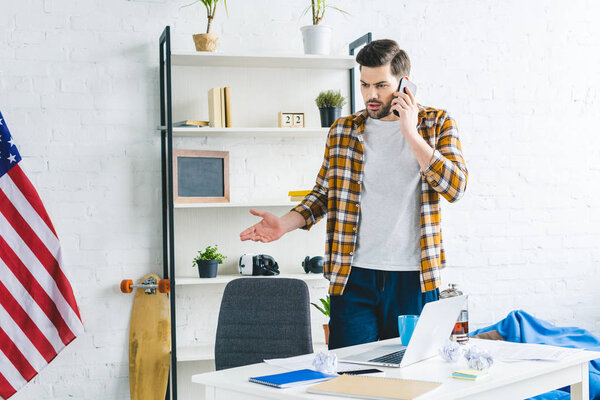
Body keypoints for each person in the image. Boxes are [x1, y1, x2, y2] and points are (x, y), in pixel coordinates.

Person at [240, 39, 468, 349]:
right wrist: (284, 224)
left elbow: (455, 187)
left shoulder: (437, 124)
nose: (371, 95)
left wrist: (411, 134)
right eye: (364, 85)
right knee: (347, 375)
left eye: (381, 85)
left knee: (410, 374)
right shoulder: (343, 130)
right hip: (353, 275)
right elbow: (324, 194)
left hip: (414, 276)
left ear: (404, 84)